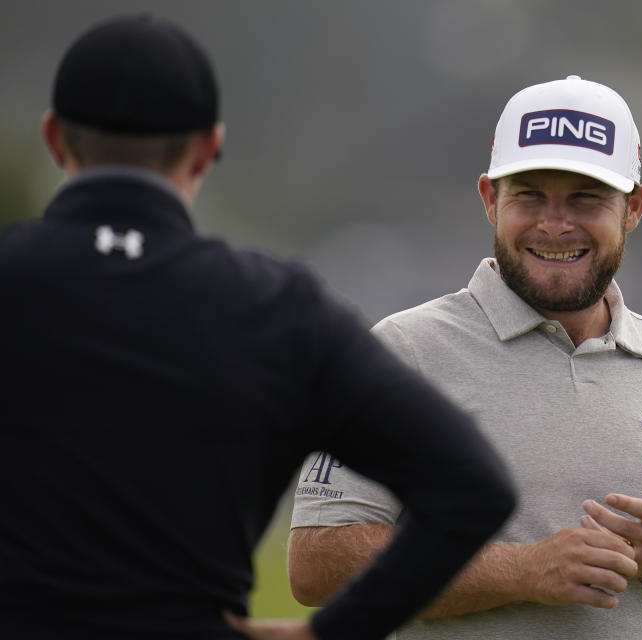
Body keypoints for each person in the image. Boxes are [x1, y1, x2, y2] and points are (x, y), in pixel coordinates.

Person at [0, 14, 516, 640]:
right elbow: (473, 486)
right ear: (209, 146)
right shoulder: (273, 309)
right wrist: (329, 634)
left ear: (55, 139)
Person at [288, 75, 642, 639]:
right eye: (530, 195)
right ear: (491, 199)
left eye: (586, 197)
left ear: (634, 207)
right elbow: (316, 565)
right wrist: (522, 570)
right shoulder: (398, 353)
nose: (555, 224)